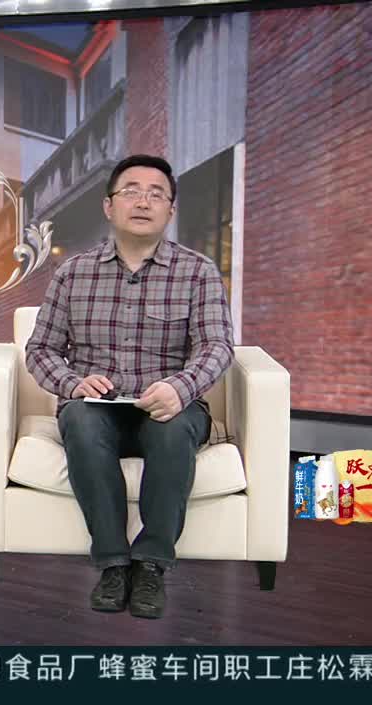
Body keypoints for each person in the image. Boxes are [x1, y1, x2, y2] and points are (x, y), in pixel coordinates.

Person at [24, 155, 233, 619]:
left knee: (172, 428)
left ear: (170, 210)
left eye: (156, 194)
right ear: (109, 205)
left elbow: (217, 346)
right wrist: (73, 384)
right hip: (97, 410)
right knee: (80, 419)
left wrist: (181, 387)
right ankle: (113, 564)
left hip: (170, 407)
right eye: (131, 191)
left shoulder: (197, 271)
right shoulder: (72, 273)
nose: (143, 201)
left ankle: (151, 565)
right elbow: (40, 350)